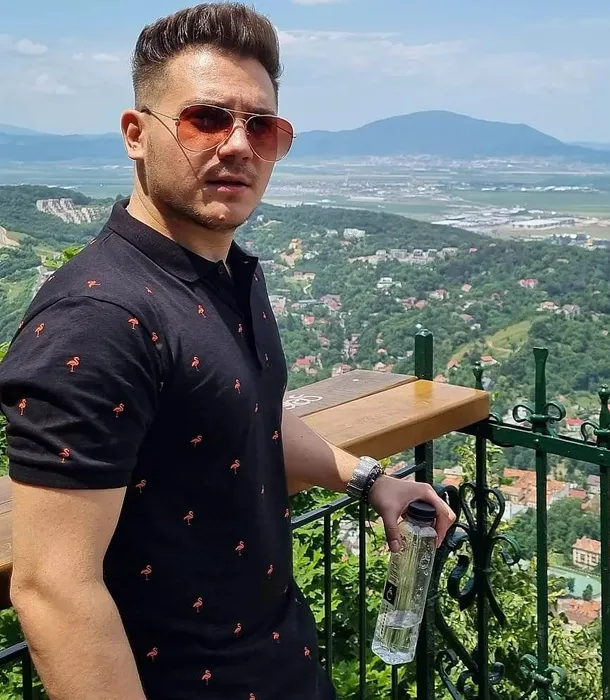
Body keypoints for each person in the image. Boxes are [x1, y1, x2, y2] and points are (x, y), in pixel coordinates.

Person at [0, 4, 455, 699]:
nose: (239, 145)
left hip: (282, 665)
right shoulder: (98, 319)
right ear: (136, 134)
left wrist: (370, 481)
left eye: (262, 126)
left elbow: (251, 416)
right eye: (206, 119)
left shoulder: (226, 274)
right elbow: (54, 589)